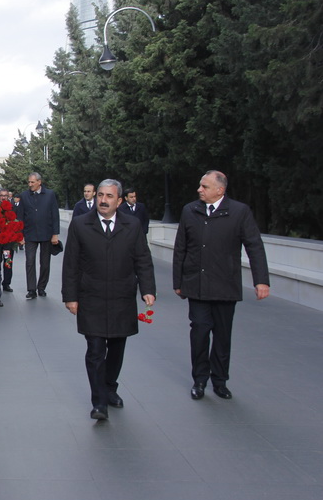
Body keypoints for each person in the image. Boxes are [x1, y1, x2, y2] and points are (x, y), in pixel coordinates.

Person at [62, 179, 156, 420]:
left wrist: (148, 288)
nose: (103, 200)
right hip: (91, 297)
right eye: (100, 195)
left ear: (119, 201)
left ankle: (110, 387)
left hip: (121, 297)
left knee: (116, 347)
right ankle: (99, 401)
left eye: (109, 196)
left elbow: (142, 259)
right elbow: (70, 263)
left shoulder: (132, 225)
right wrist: (70, 296)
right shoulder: (81, 224)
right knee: (94, 349)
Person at [173, 170, 270, 400]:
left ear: (220, 190)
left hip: (225, 286)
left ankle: (220, 381)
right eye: (200, 185)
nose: (199, 190)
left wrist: (261, 280)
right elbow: (180, 248)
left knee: (222, 336)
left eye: (204, 186)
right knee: (199, 332)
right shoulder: (190, 210)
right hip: (196, 286)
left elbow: (254, 246)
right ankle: (199, 380)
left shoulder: (239, 212)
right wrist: (178, 282)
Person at [17, 172, 60, 299]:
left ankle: (41, 287)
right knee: (30, 262)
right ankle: (31, 290)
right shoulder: (24, 196)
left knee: (45, 263)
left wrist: (55, 234)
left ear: (39, 182)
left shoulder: (50, 194)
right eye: (29, 182)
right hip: (29, 234)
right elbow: (20, 217)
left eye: (32, 182)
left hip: (46, 234)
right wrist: (20, 235)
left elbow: (55, 215)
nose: (30, 185)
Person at [0, 188, 16, 293]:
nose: (3, 197)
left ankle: (6, 284)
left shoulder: (13, 208)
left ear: (9, 197)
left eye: (5, 195)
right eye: (1, 195)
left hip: (8, 243)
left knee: (8, 263)